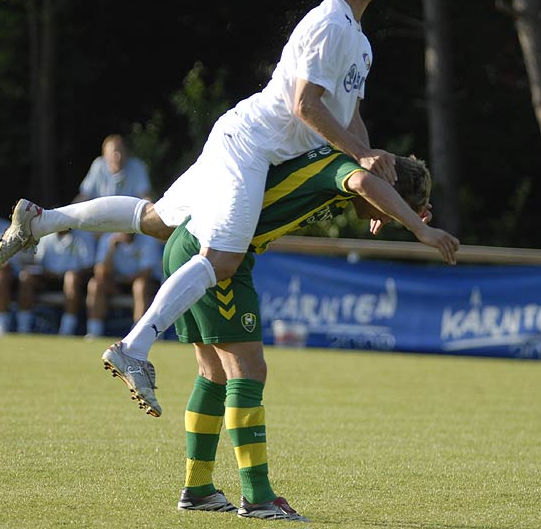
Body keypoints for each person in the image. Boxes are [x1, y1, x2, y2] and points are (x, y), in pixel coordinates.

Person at [0, 0, 421, 402]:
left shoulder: (359, 41)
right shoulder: (328, 23)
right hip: (250, 146)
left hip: (241, 137)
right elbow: (306, 105)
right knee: (221, 261)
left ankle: (41, 220)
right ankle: (134, 346)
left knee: (155, 220)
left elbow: (353, 120)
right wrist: (360, 155)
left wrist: (371, 172)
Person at [156, 147, 458, 520]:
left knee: (213, 374)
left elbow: (367, 187)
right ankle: (258, 497)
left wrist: (394, 210)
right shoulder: (349, 169)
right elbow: (364, 181)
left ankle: (198, 488)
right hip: (217, 252)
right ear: (388, 187)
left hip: (191, 243)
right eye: (394, 208)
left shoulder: (344, 172)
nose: (390, 216)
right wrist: (421, 229)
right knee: (248, 372)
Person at [18, 229, 97, 336]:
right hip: (48, 279)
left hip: (77, 282)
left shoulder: (85, 236)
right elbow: (38, 263)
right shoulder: (45, 236)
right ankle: (23, 328)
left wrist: (68, 273)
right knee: (26, 278)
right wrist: (47, 273)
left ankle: (66, 330)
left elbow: (89, 267)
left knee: (71, 278)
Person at [86, 232, 162, 338]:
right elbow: (100, 273)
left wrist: (124, 279)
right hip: (117, 284)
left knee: (140, 285)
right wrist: (111, 250)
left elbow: (146, 273)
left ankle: (138, 334)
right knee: (95, 284)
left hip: (146, 283)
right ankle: (94, 332)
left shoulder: (148, 240)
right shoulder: (107, 239)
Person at [73, 134, 152, 202]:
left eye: (121, 151)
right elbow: (84, 195)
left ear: (127, 152)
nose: (118, 157)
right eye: (114, 152)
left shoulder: (137, 167)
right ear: (105, 155)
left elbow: (145, 196)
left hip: (129, 216)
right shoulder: (98, 165)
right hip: (102, 216)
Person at [0, 206, 14, 335]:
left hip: (8, 273)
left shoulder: (6, 228)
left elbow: (6, 262)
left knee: (0, 276)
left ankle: (1, 321)